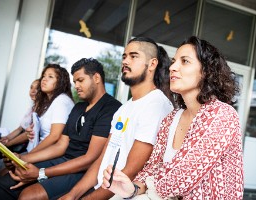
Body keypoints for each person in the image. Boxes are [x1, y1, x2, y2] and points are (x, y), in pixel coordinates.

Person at [101, 36, 244, 199]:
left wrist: (146, 186)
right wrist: (131, 188)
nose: (173, 67)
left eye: (185, 61)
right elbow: (152, 168)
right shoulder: (170, 119)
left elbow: (182, 177)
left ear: (206, 71)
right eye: (174, 61)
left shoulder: (222, 114)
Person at [59, 37, 174, 200]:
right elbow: (102, 159)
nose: (125, 61)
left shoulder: (156, 105)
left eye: (134, 56)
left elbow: (131, 170)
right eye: (124, 56)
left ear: (152, 64)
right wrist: (72, 195)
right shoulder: (124, 108)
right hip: (100, 189)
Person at [0, 58, 122, 200]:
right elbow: (61, 145)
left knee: (28, 196)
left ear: (96, 77)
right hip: (63, 160)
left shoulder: (110, 108)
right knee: (6, 175)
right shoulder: (78, 107)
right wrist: (23, 158)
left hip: (82, 170)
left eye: (80, 80)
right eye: (75, 82)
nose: (76, 85)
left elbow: (90, 159)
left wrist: (41, 173)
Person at [0, 63, 75, 181]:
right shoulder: (48, 103)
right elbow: (29, 130)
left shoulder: (61, 101)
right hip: (36, 150)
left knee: (0, 172)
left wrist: (26, 156)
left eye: (50, 77)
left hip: (49, 155)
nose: (44, 79)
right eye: (44, 76)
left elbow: (54, 136)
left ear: (60, 82)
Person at [0, 79, 39, 165]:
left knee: (0, 150)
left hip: (26, 146)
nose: (33, 91)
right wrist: (6, 138)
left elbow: (28, 135)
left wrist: (8, 143)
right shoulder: (31, 108)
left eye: (37, 88)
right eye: (31, 88)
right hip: (19, 143)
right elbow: (20, 128)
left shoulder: (40, 110)